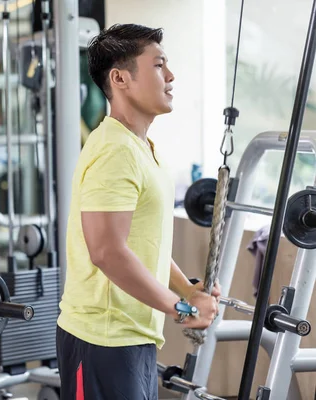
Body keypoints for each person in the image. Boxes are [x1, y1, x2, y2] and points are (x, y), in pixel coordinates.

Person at [56, 24, 221, 399]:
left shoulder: (142, 148)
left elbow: (144, 245)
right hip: (101, 339)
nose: (171, 75)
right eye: (159, 65)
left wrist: (186, 288)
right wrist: (180, 307)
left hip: (131, 336)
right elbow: (107, 252)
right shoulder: (115, 151)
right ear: (120, 78)